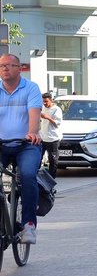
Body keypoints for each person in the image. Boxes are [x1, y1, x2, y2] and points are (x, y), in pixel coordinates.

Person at [0, 54, 43, 245]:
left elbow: (34, 113)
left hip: (26, 145)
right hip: (1, 145)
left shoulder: (31, 88)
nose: (5, 68)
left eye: (10, 65)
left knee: (27, 175)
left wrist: (32, 132)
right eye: (2, 65)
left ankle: (28, 225)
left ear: (20, 68)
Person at [39, 92, 63, 178]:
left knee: (52, 160)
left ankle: (51, 177)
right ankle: (37, 176)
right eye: (43, 102)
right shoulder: (42, 108)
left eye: (46, 101)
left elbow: (57, 124)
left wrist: (47, 117)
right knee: (38, 158)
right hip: (42, 137)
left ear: (51, 100)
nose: (44, 103)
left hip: (53, 138)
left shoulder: (56, 109)